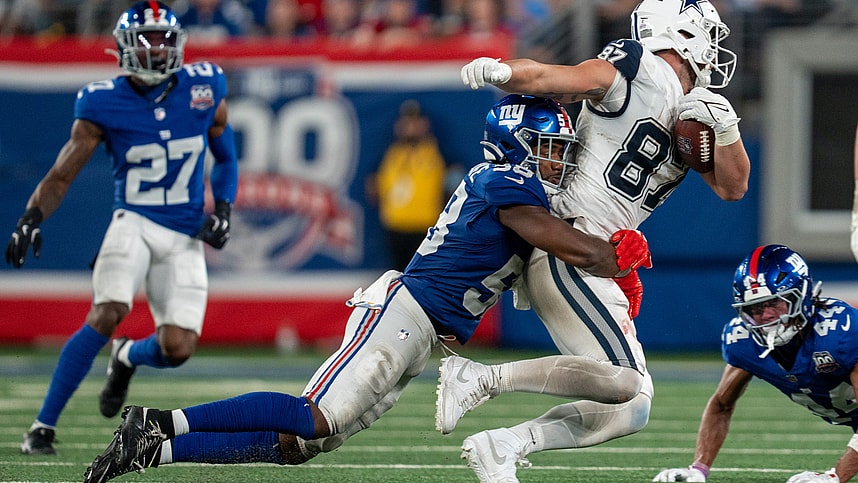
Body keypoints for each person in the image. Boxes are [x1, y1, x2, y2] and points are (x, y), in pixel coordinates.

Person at [82, 94, 652, 482]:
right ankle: (164, 421)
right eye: (548, 144)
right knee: (315, 418)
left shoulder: (517, 189)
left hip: (425, 331)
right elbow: (575, 250)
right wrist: (614, 255)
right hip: (405, 313)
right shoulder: (505, 180)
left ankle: (155, 446)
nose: (557, 158)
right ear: (518, 141)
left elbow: (551, 259)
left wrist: (606, 267)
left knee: (298, 446)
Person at [442, 1, 752, 481]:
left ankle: (505, 445)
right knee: (625, 379)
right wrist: (504, 72)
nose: (715, 44)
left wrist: (725, 127)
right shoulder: (639, 65)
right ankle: (480, 377)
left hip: (601, 256)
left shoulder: (697, 108)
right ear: (681, 31)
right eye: (708, 31)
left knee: (633, 405)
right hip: (573, 241)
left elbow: (734, 187)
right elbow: (557, 77)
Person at [5, 1, 238, 456]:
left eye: (166, 40)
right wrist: (31, 216)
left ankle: (126, 355)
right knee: (108, 308)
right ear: (125, 47)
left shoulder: (205, 87)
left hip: (185, 230)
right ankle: (41, 427)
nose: (157, 50)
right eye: (147, 40)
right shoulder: (102, 101)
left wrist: (224, 209)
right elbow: (61, 174)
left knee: (178, 348)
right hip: (133, 220)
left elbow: (226, 157)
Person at [653, 244, 858, 483]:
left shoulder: (841, 332)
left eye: (774, 303)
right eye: (755, 308)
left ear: (800, 296)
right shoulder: (743, 341)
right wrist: (698, 469)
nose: (766, 315)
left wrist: (835, 477)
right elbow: (721, 404)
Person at [365, 99, 452, 271]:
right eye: (406, 122)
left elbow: (453, 183)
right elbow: (373, 183)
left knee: (424, 276)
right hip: (396, 229)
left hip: (426, 229)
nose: (410, 126)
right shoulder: (390, 153)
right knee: (397, 276)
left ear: (424, 124)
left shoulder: (438, 151)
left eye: (415, 122)